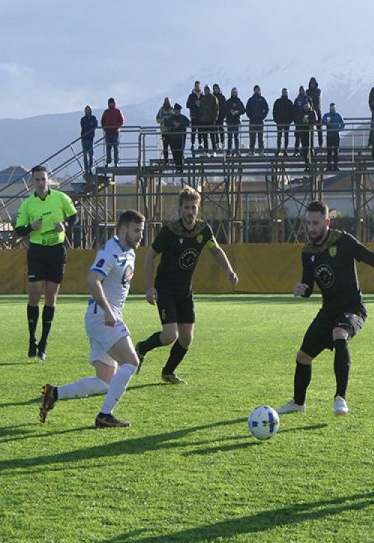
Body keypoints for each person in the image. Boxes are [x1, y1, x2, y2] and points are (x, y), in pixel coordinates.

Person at [276, 200, 374, 417]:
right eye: (308, 223)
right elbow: (308, 286)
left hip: (353, 308)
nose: (311, 228)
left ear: (326, 222)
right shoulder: (307, 252)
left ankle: (340, 398)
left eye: (315, 223)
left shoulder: (343, 241)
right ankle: (298, 403)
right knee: (303, 357)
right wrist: (302, 289)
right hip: (328, 310)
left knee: (340, 334)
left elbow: (373, 258)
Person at [40, 210, 145, 429]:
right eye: (136, 231)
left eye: (141, 232)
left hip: (101, 317)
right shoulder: (111, 251)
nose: (140, 236)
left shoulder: (130, 253)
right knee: (132, 363)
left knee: (105, 382)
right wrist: (108, 311)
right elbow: (92, 280)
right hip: (103, 317)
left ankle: (54, 393)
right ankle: (105, 416)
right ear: (124, 229)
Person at [135, 185, 239, 384]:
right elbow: (150, 256)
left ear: (198, 208)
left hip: (185, 291)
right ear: (180, 209)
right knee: (169, 336)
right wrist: (149, 287)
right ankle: (141, 348)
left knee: (186, 338)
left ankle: (168, 372)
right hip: (165, 289)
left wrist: (229, 270)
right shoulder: (170, 231)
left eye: (193, 207)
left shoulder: (203, 230)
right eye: (187, 208)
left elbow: (216, 250)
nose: (190, 212)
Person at [14, 165, 79, 360]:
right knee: (34, 295)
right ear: (32, 182)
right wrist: (30, 227)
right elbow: (19, 230)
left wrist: (66, 225)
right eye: (37, 180)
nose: (41, 183)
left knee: (51, 296)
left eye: (44, 179)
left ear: (48, 179)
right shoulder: (27, 204)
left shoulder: (60, 198)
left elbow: (74, 216)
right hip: (36, 251)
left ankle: (43, 343)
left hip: (56, 252)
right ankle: (32, 339)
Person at [166, 103, 190, 173]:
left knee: (180, 153)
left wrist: (180, 124)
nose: (176, 111)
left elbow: (187, 123)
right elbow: (167, 123)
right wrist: (173, 123)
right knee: (174, 154)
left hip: (180, 138)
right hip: (172, 139)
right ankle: (177, 168)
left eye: (178, 110)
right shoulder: (171, 118)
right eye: (175, 110)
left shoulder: (183, 118)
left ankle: (181, 168)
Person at [294, 99, 318, 168]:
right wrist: (302, 121)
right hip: (303, 132)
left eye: (307, 105)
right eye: (305, 105)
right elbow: (297, 121)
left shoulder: (312, 112)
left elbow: (315, 120)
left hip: (310, 133)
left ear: (309, 105)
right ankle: (307, 164)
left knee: (310, 148)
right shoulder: (300, 112)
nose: (306, 107)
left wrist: (309, 121)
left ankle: (312, 164)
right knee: (304, 149)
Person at [246, 85, 269, 154]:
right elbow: (247, 109)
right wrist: (250, 117)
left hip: (260, 121)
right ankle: (252, 150)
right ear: (254, 90)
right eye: (256, 89)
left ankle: (261, 150)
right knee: (252, 137)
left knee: (261, 137)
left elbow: (266, 108)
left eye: (258, 89)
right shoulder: (251, 100)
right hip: (252, 121)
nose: (257, 91)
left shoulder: (262, 99)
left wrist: (263, 117)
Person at [101, 98, 124, 167]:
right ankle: (108, 162)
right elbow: (103, 121)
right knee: (108, 148)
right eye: (110, 103)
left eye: (112, 103)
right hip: (108, 132)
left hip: (115, 132)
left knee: (115, 147)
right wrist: (105, 128)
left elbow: (121, 120)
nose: (111, 104)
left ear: (114, 103)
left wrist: (117, 127)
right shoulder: (106, 112)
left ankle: (116, 162)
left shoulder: (117, 111)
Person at [322, 102, 345, 171]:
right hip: (329, 135)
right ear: (330, 108)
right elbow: (322, 122)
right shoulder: (326, 115)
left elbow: (343, 124)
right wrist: (326, 122)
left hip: (336, 135)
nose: (332, 109)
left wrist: (338, 130)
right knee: (329, 152)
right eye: (331, 108)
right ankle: (329, 166)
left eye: (334, 108)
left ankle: (335, 166)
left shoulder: (338, 115)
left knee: (336, 151)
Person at [223, 87, 246, 154]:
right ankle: (229, 150)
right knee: (229, 137)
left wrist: (237, 112)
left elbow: (243, 110)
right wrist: (230, 111)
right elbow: (224, 110)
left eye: (235, 92)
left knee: (236, 137)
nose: (234, 93)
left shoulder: (239, 101)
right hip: (230, 121)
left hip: (236, 121)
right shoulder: (228, 102)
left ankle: (237, 150)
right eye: (233, 92)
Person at [273, 88, 295, 156]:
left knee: (286, 136)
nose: (284, 93)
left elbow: (292, 113)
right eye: (283, 92)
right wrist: (276, 120)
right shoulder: (278, 101)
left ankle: (285, 150)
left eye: (285, 92)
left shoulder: (289, 102)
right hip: (279, 122)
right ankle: (278, 149)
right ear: (282, 93)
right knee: (279, 137)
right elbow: (274, 111)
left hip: (287, 122)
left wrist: (290, 121)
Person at [199, 84, 218, 155]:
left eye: (208, 89)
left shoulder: (213, 98)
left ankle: (214, 151)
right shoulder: (202, 99)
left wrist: (214, 118)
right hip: (204, 121)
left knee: (213, 136)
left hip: (211, 120)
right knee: (205, 137)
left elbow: (216, 109)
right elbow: (200, 109)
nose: (206, 91)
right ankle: (206, 151)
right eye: (205, 89)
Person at [80, 105, 99, 175]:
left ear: (91, 110)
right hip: (84, 138)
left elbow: (95, 124)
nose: (88, 111)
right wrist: (91, 125)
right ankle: (86, 169)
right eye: (86, 109)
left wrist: (91, 126)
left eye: (89, 109)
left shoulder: (93, 118)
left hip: (91, 139)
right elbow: (85, 126)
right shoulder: (83, 119)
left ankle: (90, 168)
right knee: (85, 155)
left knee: (91, 154)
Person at [155, 98, 175, 165]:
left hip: (172, 131)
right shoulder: (161, 110)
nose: (167, 103)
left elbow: (176, 118)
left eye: (168, 102)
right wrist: (164, 119)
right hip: (164, 131)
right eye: (166, 102)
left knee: (173, 146)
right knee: (165, 147)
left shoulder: (173, 109)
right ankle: (166, 161)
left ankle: (175, 159)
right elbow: (157, 119)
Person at [186, 80, 203, 153]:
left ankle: (200, 144)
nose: (197, 87)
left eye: (198, 86)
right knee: (193, 131)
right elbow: (187, 105)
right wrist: (194, 104)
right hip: (193, 116)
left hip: (201, 117)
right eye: (196, 86)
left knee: (200, 131)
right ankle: (192, 144)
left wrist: (200, 104)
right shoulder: (191, 96)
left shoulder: (203, 95)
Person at [307, 77, 323, 148]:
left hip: (318, 112)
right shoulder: (307, 92)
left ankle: (320, 145)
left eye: (313, 83)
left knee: (319, 130)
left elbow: (315, 99)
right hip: (310, 113)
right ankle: (311, 145)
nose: (312, 85)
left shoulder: (318, 91)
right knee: (311, 131)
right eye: (311, 83)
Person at [212, 84, 226, 153]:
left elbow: (224, 107)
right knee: (215, 130)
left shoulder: (222, 97)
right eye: (214, 88)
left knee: (221, 129)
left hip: (221, 116)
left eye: (216, 88)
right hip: (214, 116)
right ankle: (217, 143)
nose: (215, 89)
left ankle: (223, 142)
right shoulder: (212, 97)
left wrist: (223, 115)